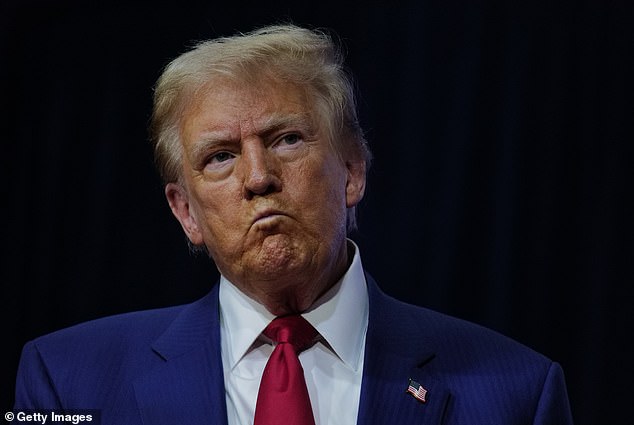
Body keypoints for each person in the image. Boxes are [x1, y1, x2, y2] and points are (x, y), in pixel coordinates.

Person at [13, 24, 574, 424]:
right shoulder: (66, 380)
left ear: (352, 170)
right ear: (186, 212)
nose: (258, 177)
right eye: (220, 157)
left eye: (287, 140)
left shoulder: (517, 393)